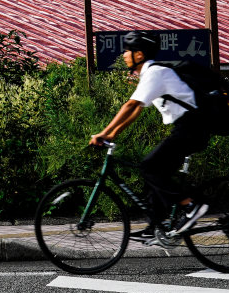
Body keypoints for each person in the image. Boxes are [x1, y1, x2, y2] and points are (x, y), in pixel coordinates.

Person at [89, 31, 211, 235]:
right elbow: (137, 109)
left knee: (149, 167)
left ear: (139, 55)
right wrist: (112, 134)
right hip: (188, 127)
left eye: (128, 50)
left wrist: (104, 133)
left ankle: (190, 205)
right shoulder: (151, 74)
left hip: (191, 126)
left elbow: (130, 105)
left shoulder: (156, 73)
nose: (124, 55)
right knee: (155, 174)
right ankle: (157, 227)